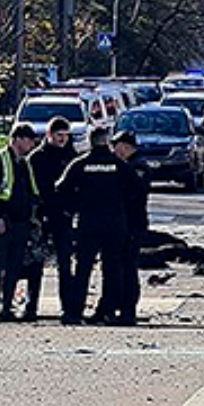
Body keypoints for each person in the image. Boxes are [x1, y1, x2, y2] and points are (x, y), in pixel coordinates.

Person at [56, 125, 129, 325]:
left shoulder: (80, 164)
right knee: (112, 268)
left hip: (89, 223)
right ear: (107, 141)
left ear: (90, 141)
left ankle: (74, 312)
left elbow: (61, 189)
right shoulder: (119, 165)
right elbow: (136, 189)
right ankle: (108, 311)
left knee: (83, 268)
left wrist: (73, 207)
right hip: (114, 223)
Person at [0, 122, 39, 323]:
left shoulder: (24, 163)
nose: (32, 144)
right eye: (30, 140)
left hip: (20, 222)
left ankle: (7, 307)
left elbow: (29, 192)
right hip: (2, 221)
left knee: (14, 266)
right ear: (18, 139)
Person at [23, 117, 77, 322]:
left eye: (65, 135)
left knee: (65, 263)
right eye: (59, 135)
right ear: (49, 135)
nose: (63, 139)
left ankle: (68, 308)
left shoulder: (72, 157)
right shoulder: (37, 158)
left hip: (63, 217)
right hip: (40, 216)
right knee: (36, 264)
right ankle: (31, 306)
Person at [111, 129, 151, 326]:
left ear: (126, 147)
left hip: (133, 224)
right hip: (123, 224)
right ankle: (117, 307)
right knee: (120, 267)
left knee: (128, 269)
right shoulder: (127, 165)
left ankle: (128, 311)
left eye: (116, 146)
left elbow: (134, 195)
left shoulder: (137, 167)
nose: (114, 150)